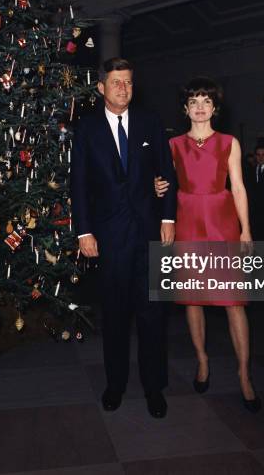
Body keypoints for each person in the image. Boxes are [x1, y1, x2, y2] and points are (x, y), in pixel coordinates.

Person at [70, 57, 177, 419]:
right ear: (101, 87)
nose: (123, 88)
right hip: (109, 235)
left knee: (152, 315)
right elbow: (79, 184)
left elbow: (167, 174)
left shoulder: (150, 121)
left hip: (149, 233)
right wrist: (84, 230)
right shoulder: (86, 129)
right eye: (116, 82)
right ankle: (114, 385)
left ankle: (154, 388)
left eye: (128, 82)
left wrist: (168, 216)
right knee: (114, 316)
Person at [154, 77, 260, 413]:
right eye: (194, 102)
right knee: (192, 300)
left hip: (222, 221)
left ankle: (244, 374)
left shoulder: (229, 142)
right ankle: (202, 361)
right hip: (186, 222)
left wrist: (246, 230)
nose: (200, 107)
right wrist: (157, 187)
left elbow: (239, 188)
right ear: (185, 109)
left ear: (215, 108)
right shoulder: (172, 145)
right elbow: (163, 186)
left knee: (234, 302)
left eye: (206, 101)